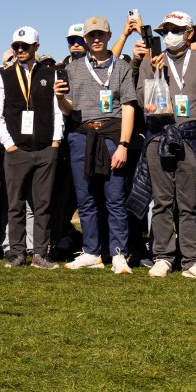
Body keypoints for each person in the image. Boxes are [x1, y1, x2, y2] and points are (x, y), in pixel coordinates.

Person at [132, 12, 196, 281]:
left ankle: (192, 259)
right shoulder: (151, 62)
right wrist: (156, 73)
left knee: (189, 202)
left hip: (193, 136)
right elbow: (145, 104)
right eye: (165, 31)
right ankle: (163, 257)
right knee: (161, 202)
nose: (169, 35)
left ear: (189, 32)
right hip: (159, 134)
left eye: (175, 29)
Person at [55, 15, 138, 275]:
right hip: (81, 135)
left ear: (109, 36)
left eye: (101, 34)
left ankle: (118, 254)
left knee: (114, 198)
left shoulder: (122, 66)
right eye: (92, 35)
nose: (96, 39)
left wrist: (124, 144)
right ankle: (91, 252)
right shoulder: (74, 68)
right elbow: (68, 109)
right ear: (86, 39)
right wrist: (59, 98)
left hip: (112, 135)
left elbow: (127, 107)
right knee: (86, 197)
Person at [0, 26, 63, 269]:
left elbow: (58, 110)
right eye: (16, 46)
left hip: (45, 149)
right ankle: (17, 252)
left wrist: (55, 142)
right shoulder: (3, 75)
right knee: (15, 203)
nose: (20, 50)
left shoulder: (51, 73)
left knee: (43, 204)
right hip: (16, 151)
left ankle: (40, 254)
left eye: (25, 46)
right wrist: (9, 145)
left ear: (36, 47)